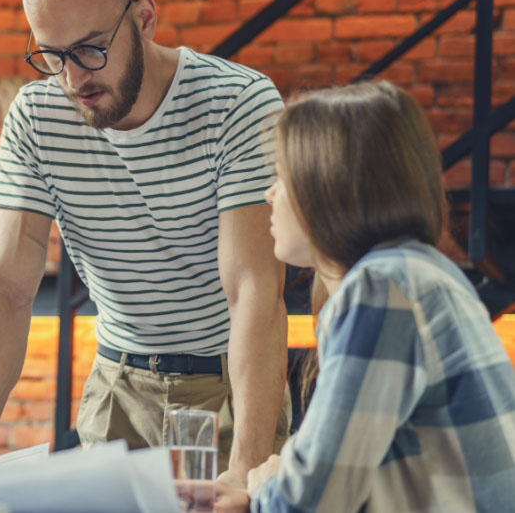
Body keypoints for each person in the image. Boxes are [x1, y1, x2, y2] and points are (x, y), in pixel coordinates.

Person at [0, 0, 289, 486]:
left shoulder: (239, 103)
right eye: (51, 54)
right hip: (117, 384)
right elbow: (7, 288)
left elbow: (254, 292)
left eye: (89, 49)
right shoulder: (36, 117)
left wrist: (246, 469)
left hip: (229, 384)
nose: (70, 79)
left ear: (144, 18)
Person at [215, 81, 515, 512]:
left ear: (330, 185)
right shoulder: (418, 272)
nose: (269, 194)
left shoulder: (382, 290)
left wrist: (264, 484)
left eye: (283, 177)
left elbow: (309, 502)